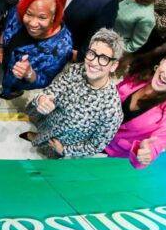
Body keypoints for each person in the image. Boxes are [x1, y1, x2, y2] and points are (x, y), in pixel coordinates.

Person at [22, 28, 125, 158]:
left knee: (45, 151)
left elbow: (96, 144)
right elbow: (54, 88)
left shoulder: (111, 110)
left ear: (114, 65)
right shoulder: (76, 70)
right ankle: (36, 135)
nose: (93, 62)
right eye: (92, 53)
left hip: (59, 141)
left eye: (104, 58)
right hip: (48, 120)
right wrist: (43, 98)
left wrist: (66, 150)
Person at [105, 46, 166, 168]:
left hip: (107, 156)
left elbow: (149, 153)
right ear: (162, 60)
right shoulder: (143, 73)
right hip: (90, 128)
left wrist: (143, 154)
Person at [0, 0, 74, 99]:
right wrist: (0, 47)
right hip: (5, 66)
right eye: (29, 14)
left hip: (21, 81)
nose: (33, 23)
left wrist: (29, 73)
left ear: (53, 17)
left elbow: (44, 79)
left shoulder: (62, 47)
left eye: (42, 17)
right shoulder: (17, 11)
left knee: (12, 90)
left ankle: (13, 92)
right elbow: (7, 27)